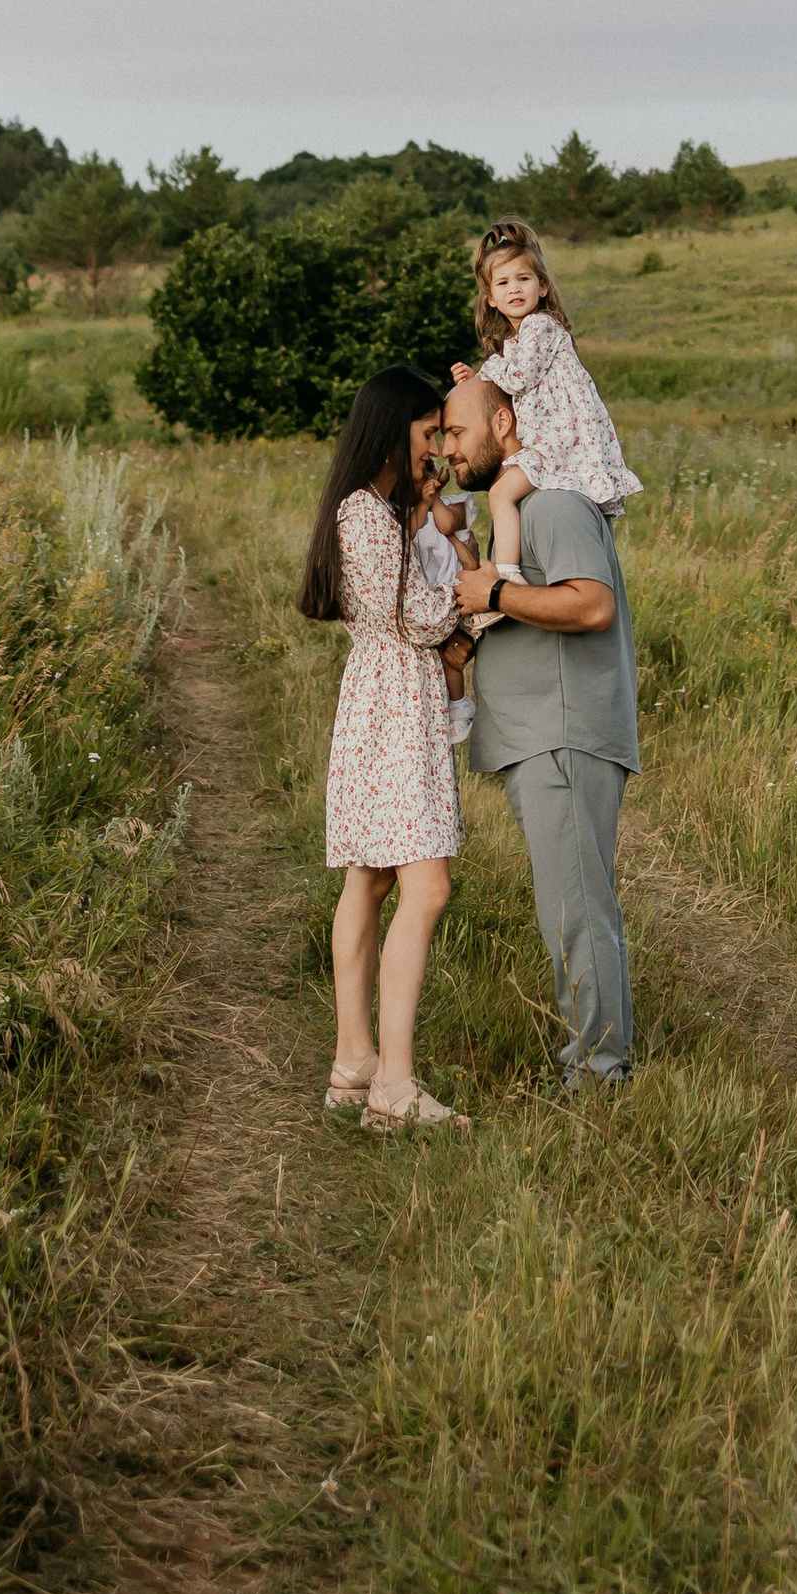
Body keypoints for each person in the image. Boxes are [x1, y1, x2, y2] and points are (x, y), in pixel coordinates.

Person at [442, 367, 639, 1085]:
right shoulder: (515, 512)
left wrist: (493, 588)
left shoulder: (554, 503)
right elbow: (516, 601)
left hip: (563, 735)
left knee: (577, 910)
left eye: (457, 433)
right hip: (542, 736)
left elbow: (590, 605)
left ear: (503, 425)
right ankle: (596, 1059)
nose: (448, 452)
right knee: (572, 905)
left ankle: (599, 1073)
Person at [298, 364, 471, 1132]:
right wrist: (484, 593)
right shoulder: (362, 515)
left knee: (368, 881)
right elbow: (421, 621)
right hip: (396, 703)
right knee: (424, 887)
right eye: (428, 431)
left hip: (379, 701)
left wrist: (426, 522)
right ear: (391, 429)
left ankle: (354, 1063)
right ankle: (393, 1086)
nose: (436, 446)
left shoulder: (373, 512)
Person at [464, 220, 641, 644]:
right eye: (503, 282)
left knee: (502, 493)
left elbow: (519, 378)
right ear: (491, 297)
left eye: (523, 278)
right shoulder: (519, 338)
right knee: (505, 491)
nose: (514, 289)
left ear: (543, 286)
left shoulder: (541, 328)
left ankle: (504, 578)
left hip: (560, 441)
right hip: (555, 438)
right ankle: (504, 575)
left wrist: (485, 369)